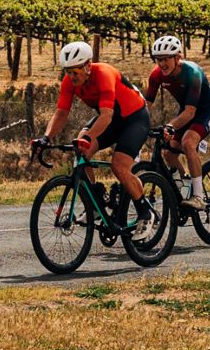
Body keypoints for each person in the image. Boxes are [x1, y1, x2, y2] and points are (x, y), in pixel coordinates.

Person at [37, 40, 152, 222]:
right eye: (68, 71)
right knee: (81, 152)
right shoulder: (69, 82)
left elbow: (105, 116)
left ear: (88, 66)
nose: (72, 76)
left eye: (75, 71)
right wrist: (45, 138)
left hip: (134, 119)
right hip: (112, 119)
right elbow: (61, 113)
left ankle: (145, 214)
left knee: (119, 166)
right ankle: (97, 202)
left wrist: (88, 137)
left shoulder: (104, 74)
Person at [144, 34, 210, 202]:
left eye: (166, 59)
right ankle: (184, 182)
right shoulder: (156, 75)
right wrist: (137, 123)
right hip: (187, 111)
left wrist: (170, 125)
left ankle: (198, 197)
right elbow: (146, 105)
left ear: (178, 57)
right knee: (168, 153)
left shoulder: (192, 73)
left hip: (208, 111)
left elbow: (190, 112)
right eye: (159, 60)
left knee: (188, 142)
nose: (162, 64)